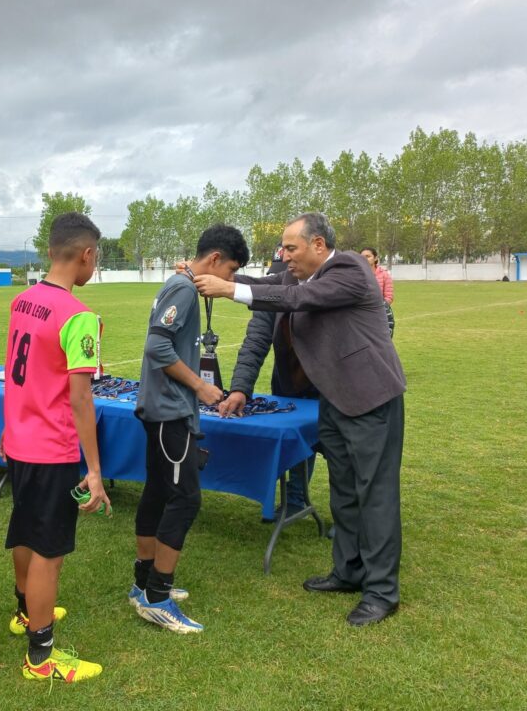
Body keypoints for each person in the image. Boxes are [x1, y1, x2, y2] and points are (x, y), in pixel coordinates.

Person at [193, 212, 406, 627]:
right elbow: (268, 288)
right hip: (334, 402)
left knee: (375, 495)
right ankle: (347, 571)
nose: (284, 256)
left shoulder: (349, 268)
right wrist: (211, 280)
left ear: (319, 246)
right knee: (344, 491)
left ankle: (381, 592)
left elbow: (297, 301)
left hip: (370, 399)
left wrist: (229, 289)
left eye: (291, 248)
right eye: (283, 248)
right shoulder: (293, 275)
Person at [0, 212, 110, 683]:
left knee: (25, 530)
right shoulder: (78, 317)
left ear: (50, 251)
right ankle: (40, 658)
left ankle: (25, 611)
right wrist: (96, 470)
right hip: (52, 448)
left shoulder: (22, 301)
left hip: (20, 441)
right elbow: (81, 397)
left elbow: (12, 374)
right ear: (87, 255)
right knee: (49, 551)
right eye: (96, 258)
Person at [130, 224, 249, 633]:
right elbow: (157, 346)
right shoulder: (182, 289)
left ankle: (143, 583)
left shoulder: (181, 281)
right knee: (185, 499)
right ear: (214, 260)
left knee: (158, 492)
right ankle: (157, 598)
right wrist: (200, 387)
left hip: (161, 410)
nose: (229, 281)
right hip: (170, 413)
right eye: (230, 270)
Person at [218, 244, 320, 516]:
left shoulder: (320, 291)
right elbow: (255, 342)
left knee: (343, 453)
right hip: (291, 386)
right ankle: (296, 499)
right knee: (300, 445)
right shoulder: (269, 300)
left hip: (330, 389)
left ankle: (352, 519)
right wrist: (240, 389)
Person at [360, 247, 394, 336]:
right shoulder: (357, 274)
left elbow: (389, 297)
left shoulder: (384, 275)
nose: (365, 259)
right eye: (362, 257)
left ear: (375, 258)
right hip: (361, 315)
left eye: (368, 256)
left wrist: (379, 308)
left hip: (380, 314)